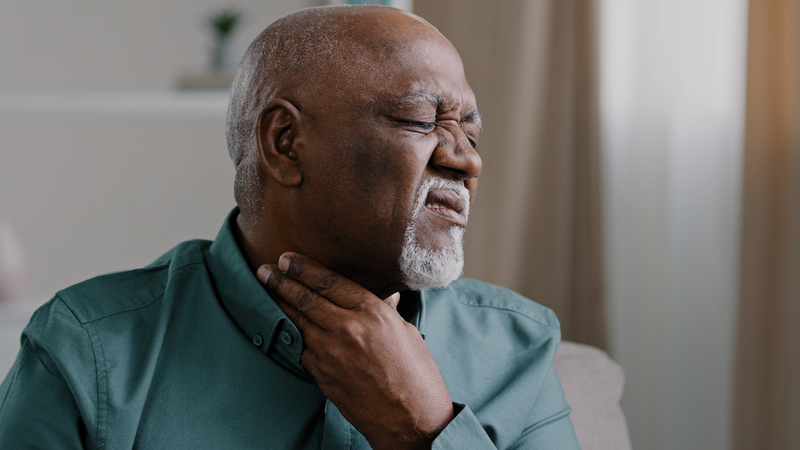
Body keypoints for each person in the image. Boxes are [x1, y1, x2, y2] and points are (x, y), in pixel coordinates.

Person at [0, 6, 580, 449]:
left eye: (471, 133)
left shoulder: (518, 349)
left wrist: (422, 430)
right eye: (421, 120)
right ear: (284, 143)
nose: (466, 159)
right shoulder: (85, 351)